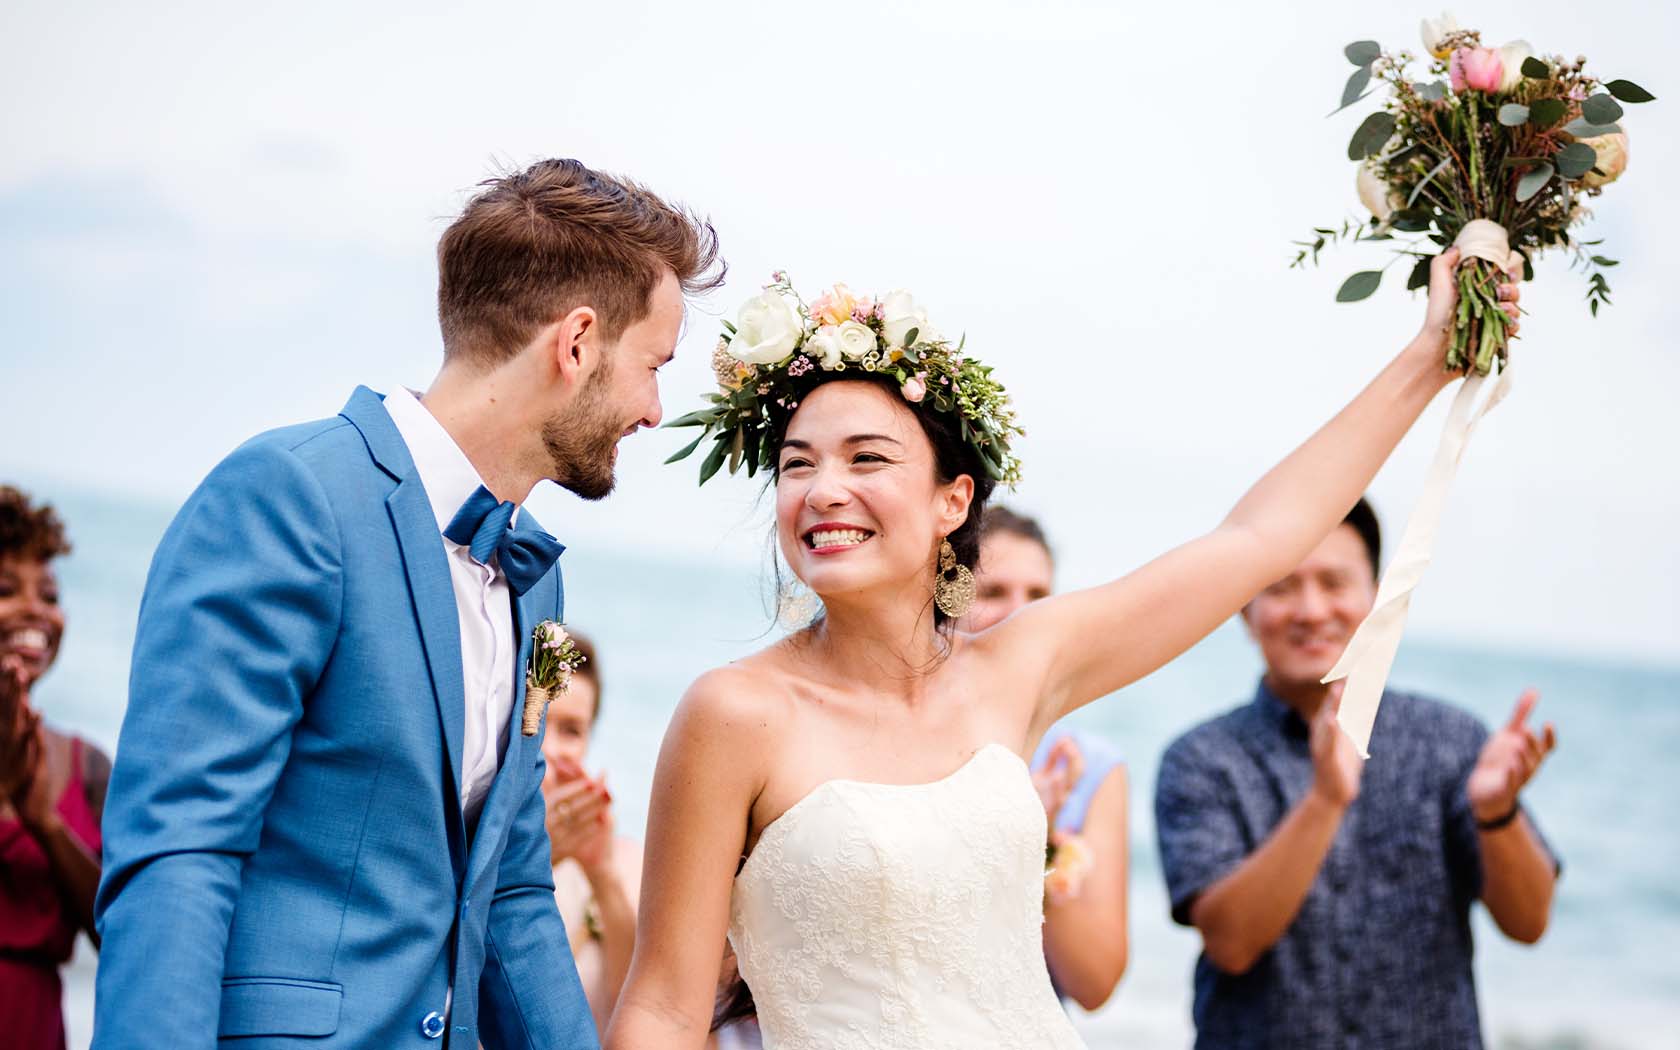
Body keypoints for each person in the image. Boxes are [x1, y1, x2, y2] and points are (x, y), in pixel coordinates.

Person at [604, 250, 1525, 1050]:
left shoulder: (1017, 667)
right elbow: (662, 1005)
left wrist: (1430, 359)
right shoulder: (734, 714)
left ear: (951, 504)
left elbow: (1256, 541)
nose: (823, 489)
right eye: (798, 463)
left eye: (867, 459)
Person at [92, 159, 722, 1049]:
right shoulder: (290, 498)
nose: (655, 411)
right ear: (577, 342)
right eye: (653, 365)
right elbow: (178, 853)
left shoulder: (538, 577)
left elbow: (510, 886)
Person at [1154, 496, 1561, 1049]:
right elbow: (1231, 943)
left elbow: (1530, 923)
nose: (1311, 610)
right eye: (1280, 587)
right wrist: (1324, 800)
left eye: (1335, 583)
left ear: (1376, 597)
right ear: (1243, 609)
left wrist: (1497, 814)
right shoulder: (1201, 759)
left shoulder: (1450, 738)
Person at [961, 505, 1129, 1011]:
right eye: (993, 592)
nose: (1023, 614)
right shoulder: (887, 739)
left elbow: (1094, 985)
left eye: (1038, 596)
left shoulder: (1088, 765)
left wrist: (1039, 840)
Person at [0, 486, 109, 1050]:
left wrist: (43, 821)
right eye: (5, 590)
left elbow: (123, 935)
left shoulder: (84, 765)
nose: (35, 612)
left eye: (48, 593)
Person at [538, 630, 645, 1038]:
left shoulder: (630, 864)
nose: (550, 748)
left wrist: (603, 876)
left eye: (571, 730)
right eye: (538, 720)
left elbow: (642, 1013)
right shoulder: (457, 852)